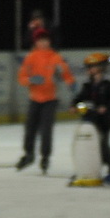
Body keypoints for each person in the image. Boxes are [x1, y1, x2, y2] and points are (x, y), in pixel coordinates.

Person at [16, 29, 74, 172]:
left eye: (45, 40)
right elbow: (21, 77)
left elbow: (65, 72)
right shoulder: (31, 57)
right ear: (35, 42)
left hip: (50, 99)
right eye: (40, 40)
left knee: (46, 130)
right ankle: (29, 154)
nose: (43, 43)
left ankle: (45, 157)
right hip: (35, 99)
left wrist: (71, 82)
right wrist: (30, 80)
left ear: (49, 41)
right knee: (30, 129)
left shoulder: (55, 57)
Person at [73, 53, 110, 185]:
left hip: (105, 121)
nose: (91, 70)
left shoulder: (108, 85)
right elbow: (79, 99)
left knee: (103, 144)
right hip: (90, 120)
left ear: (101, 68)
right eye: (90, 67)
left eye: (93, 67)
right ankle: (86, 168)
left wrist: (106, 108)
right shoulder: (87, 86)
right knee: (84, 144)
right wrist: (74, 106)